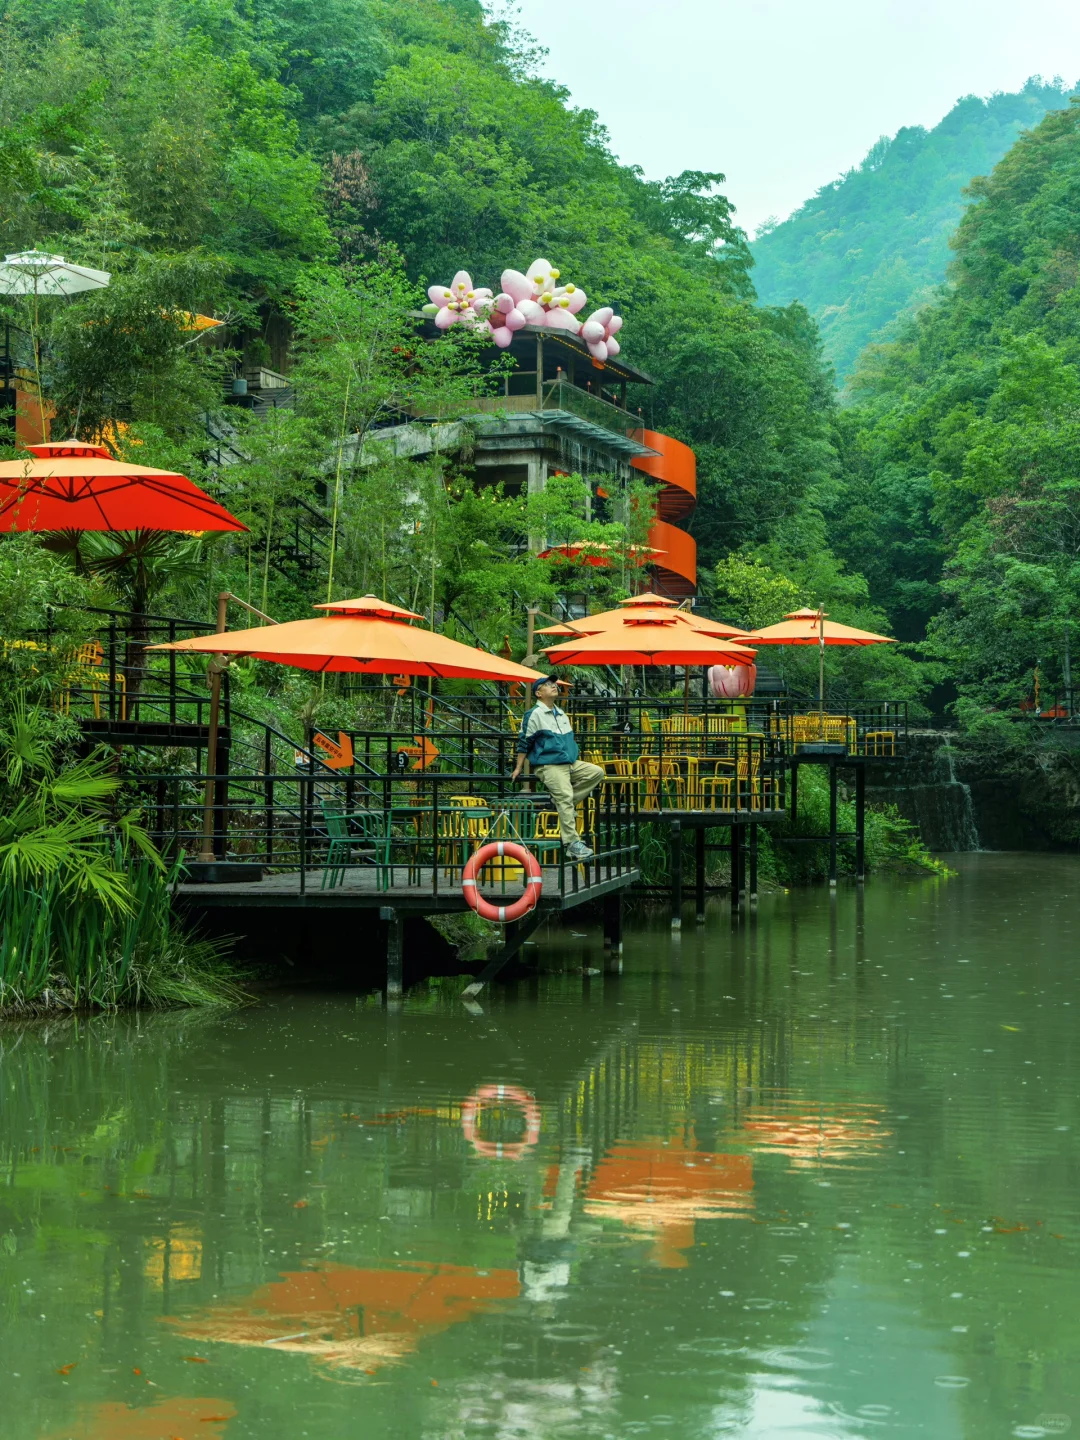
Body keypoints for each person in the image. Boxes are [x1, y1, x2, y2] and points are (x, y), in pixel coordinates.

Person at [511, 676, 604, 860]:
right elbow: (524, 742)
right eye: (547, 685)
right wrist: (518, 767)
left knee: (596, 772)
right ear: (538, 693)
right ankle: (572, 843)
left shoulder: (561, 713)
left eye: (554, 684)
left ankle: (561, 802)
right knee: (565, 796)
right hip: (549, 764)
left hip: (569, 763)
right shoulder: (534, 714)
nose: (553, 686)